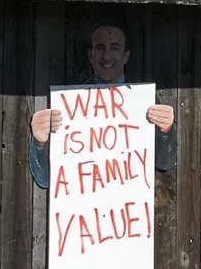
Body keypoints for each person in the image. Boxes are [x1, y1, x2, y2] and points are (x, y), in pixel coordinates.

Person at [29, 20, 177, 189]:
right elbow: (45, 179)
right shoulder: (69, 104)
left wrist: (166, 133)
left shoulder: (146, 101)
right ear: (90, 56)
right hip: (82, 211)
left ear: (126, 56)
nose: (106, 56)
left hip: (130, 210)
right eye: (100, 48)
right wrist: (40, 144)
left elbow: (164, 162)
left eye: (114, 47)